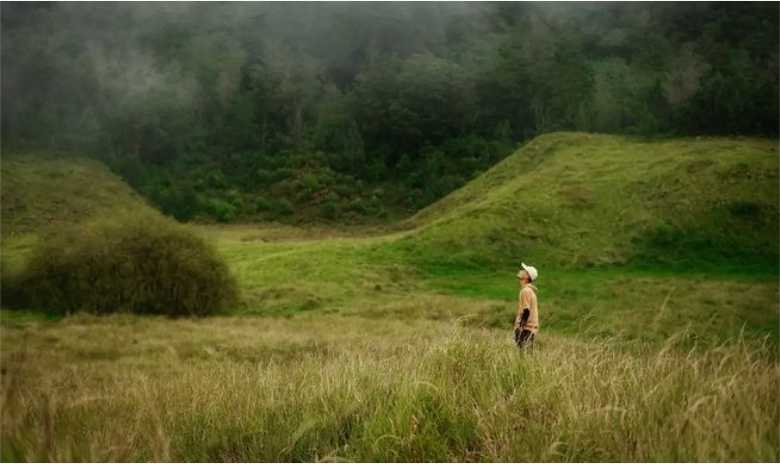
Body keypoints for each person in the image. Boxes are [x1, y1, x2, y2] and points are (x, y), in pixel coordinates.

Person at [514, 262, 539, 351]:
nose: (521, 270)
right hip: (529, 330)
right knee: (526, 355)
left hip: (526, 330)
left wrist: (520, 328)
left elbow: (526, 310)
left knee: (522, 355)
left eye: (524, 270)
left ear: (527, 276)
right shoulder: (529, 290)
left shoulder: (525, 291)